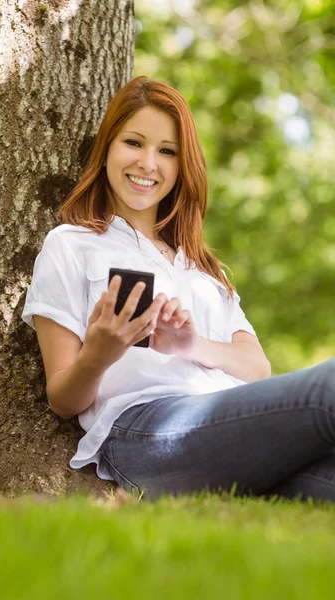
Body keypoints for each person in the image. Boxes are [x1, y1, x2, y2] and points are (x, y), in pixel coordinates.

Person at [22, 76, 335, 503]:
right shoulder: (71, 244)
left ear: (182, 164)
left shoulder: (203, 268)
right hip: (145, 431)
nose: (149, 164)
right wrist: (99, 355)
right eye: (134, 143)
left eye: (167, 151)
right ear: (108, 148)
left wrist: (190, 344)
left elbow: (256, 367)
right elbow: (62, 398)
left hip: (228, 422)